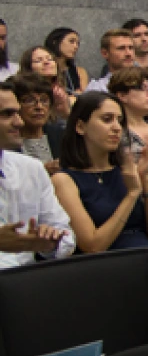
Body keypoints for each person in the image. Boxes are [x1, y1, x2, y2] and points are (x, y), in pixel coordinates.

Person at [51, 92, 148, 252]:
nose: (117, 128)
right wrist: (132, 194)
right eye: (107, 119)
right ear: (80, 127)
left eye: (119, 121)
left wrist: (144, 179)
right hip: (110, 267)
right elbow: (93, 246)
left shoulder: (127, 171)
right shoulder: (64, 180)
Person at [0, 79, 75, 268]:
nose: (19, 122)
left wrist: (50, 243)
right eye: (7, 114)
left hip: (28, 280)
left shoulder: (31, 168)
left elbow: (66, 236)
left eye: (17, 112)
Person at [13, 74, 63, 171]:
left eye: (44, 100)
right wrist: (42, 171)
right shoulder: (6, 142)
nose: (39, 107)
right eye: (29, 100)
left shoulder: (61, 134)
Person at [18, 46, 69, 119]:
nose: (46, 62)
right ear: (28, 68)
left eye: (50, 59)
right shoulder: (23, 92)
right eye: (38, 60)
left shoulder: (62, 93)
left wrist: (65, 111)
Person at [44, 27, 89, 97]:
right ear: (55, 42)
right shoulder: (45, 68)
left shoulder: (80, 71)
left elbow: (84, 97)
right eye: (71, 41)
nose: (76, 46)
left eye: (78, 44)